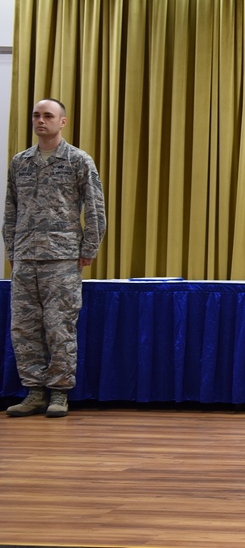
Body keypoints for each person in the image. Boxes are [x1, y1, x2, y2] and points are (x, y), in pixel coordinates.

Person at [4, 98, 106, 419]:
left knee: (59, 327)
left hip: (62, 258)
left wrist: (88, 248)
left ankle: (59, 393)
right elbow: (10, 211)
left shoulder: (78, 161)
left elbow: (95, 209)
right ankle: (34, 391)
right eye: (36, 115)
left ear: (62, 122)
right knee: (24, 328)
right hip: (25, 258)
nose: (40, 121)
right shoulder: (20, 162)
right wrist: (12, 250)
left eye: (48, 116)